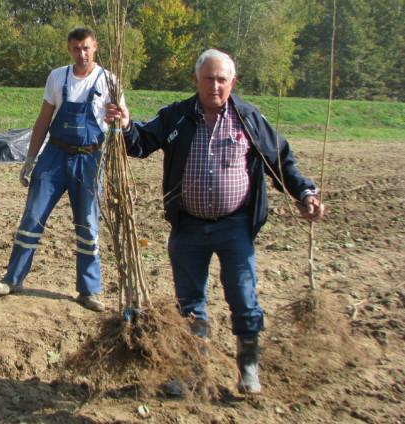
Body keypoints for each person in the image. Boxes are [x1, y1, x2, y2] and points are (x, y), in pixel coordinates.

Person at [105, 49, 326, 394]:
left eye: (222, 79)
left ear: (232, 82)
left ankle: (248, 369)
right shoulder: (177, 116)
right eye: (208, 78)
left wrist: (305, 194)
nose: (215, 85)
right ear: (196, 80)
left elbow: (280, 161)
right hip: (188, 226)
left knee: (242, 295)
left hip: (234, 226)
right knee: (188, 304)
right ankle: (191, 372)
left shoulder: (249, 119)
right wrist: (126, 124)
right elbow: (141, 144)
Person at [0, 26, 119, 312]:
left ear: (95, 47)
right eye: (76, 48)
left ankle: (89, 290)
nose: (81, 53)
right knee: (32, 216)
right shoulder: (57, 77)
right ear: (69, 49)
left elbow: (123, 121)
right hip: (54, 155)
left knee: (87, 223)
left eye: (86, 47)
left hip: (90, 160)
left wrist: (120, 117)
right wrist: (30, 158)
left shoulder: (109, 80)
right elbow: (43, 119)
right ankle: (13, 279)